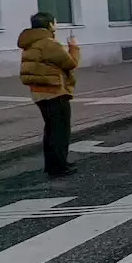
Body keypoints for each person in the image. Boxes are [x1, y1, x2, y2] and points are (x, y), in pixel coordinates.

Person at [18, 12, 80, 177]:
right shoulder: (48, 43)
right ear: (50, 25)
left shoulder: (30, 42)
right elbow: (71, 63)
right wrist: (73, 46)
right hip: (54, 92)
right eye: (55, 23)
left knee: (51, 129)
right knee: (60, 130)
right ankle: (59, 167)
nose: (56, 25)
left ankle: (53, 165)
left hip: (39, 93)